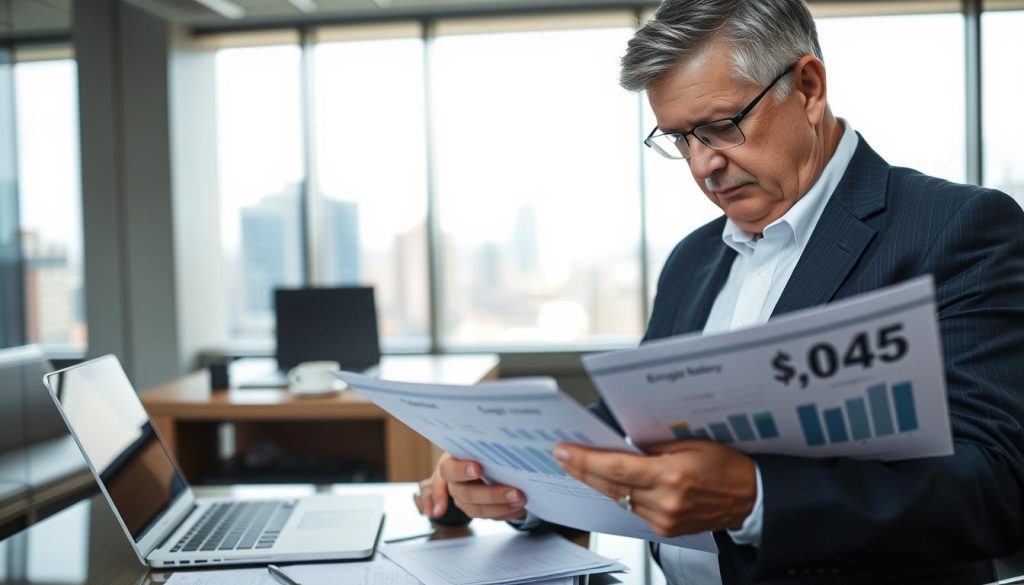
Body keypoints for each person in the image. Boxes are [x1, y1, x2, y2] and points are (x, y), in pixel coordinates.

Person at [414, 1, 1024, 582]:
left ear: (808, 88)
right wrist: (502, 479)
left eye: (722, 126)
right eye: (681, 139)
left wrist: (754, 498)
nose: (704, 165)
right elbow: (633, 431)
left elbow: (1001, 485)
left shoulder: (955, 229)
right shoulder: (693, 258)